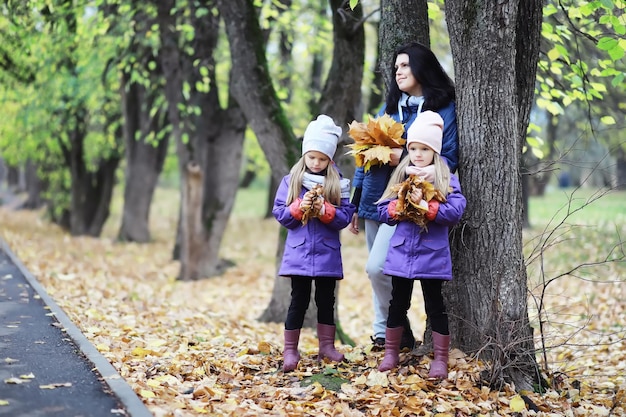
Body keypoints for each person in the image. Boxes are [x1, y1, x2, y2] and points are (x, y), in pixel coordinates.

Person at [349, 42, 459, 351]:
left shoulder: (443, 107)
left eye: (405, 66)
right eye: (396, 67)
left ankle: (394, 331)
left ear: (422, 68)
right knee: (378, 272)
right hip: (376, 198)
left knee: (378, 267)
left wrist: (404, 159)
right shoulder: (389, 109)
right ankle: (388, 333)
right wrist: (356, 201)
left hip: (412, 201)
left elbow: (449, 156)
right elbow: (364, 155)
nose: (398, 72)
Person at [375, 111, 466, 377]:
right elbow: (382, 210)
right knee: (397, 302)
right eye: (413, 148)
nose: (417, 154)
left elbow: (455, 212)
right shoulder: (402, 174)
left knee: (435, 304)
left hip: (432, 252)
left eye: (423, 149)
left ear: (434, 151)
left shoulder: (445, 178)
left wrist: (427, 206)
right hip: (403, 251)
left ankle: (440, 358)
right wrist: (399, 207)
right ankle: (390, 353)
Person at [272, 114, 356, 372]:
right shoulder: (292, 181)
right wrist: (298, 207)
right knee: (298, 299)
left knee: (326, 300)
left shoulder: (338, 184)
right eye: (312, 157)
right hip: (299, 253)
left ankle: (327, 346)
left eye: (322, 159)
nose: (316, 163)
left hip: (326, 254)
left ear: (330, 159)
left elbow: (344, 217)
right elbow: (281, 214)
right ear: (304, 155)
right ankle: (290, 349)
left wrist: (324, 211)